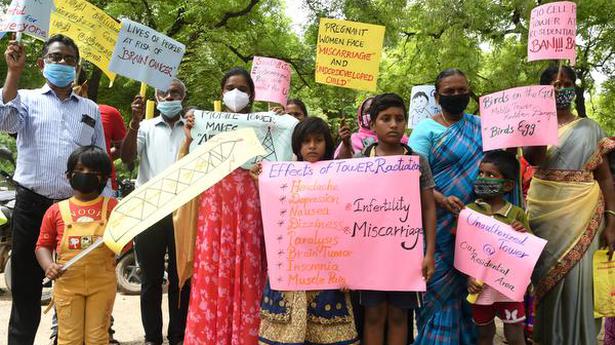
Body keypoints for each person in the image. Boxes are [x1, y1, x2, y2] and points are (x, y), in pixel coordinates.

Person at [0, 34, 110, 345]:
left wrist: (108, 205)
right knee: (25, 289)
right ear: (41, 63)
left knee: (75, 285)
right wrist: (13, 73)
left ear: (77, 67)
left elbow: (100, 158)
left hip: (77, 211)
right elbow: (4, 121)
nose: (63, 63)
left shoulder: (90, 108)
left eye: (69, 59)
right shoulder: (25, 98)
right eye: (56, 57)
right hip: (31, 206)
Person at [524, 65, 615, 345]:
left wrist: (612, 220)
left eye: (565, 84)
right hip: (544, 213)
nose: (560, 88)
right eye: (553, 84)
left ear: (574, 88)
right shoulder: (532, 124)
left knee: (579, 281)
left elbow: (605, 178)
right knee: (546, 279)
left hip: (585, 213)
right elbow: (534, 159)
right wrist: (540, 123)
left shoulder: (590, 128)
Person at [179, 67, 267, 345]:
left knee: (249, 273)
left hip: (251, 211)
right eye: (230, 88)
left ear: (251, 96)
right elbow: (186, 169)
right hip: (214, 213)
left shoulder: (265, 128)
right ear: (221, 93)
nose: (235, 93)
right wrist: (190, 137)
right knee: (212, 276)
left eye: (242, 88)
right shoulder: (206, 127)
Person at [255, 117, 360, 345]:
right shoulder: (281, 176)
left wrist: (348, 268)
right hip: (292, 265)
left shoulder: (341, 176)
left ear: (327, 144)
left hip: (327, 267)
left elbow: (348, 223)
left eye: (318, 140)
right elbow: (272, 213)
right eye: (306, 141)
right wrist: (259, 180)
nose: (312, 146)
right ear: (297, 146)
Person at [352, 93, 436, 345]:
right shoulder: (360, 161)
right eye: (385, 118)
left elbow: (429, 208)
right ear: (373, 123)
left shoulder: (416, 161)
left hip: (406, 254)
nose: (393, 124)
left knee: (400, 316)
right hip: (370, 255)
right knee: (374, 315)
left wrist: (429, 252)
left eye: (399, 118)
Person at [409, 68, 481, 344]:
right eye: (449, 92)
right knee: (436, 293)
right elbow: (414, 175)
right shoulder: (425, 129)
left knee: (468, 294)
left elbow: (494, 169)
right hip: (434, 225)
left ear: (469, 92)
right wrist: (441, 199)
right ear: (437, 97)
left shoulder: (480, 126)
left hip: (472, 225)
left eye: (461, 90)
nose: (456, 95)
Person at [120, 79, 191, 345]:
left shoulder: (193, 129)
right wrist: (134, 122)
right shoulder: (145, 128)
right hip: (149, 212)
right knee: (150, 279)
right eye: (164, 92)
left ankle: (178, 336)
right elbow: (127, 157)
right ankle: (152, 338)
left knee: (180, 279)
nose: (169, 96)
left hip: (183, 212)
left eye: (175, 92)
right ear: (156, 97)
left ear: (183, 96)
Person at [35, 146, 117, 345]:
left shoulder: (114, 207)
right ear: (69, 175)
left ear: (104, 178)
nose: (86, 175)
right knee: (68, 338)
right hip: (67, 284)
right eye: (81, 170)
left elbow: (124, 244)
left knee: (98, 337)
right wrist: (48, 266)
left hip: (102, 284)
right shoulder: (55, 211)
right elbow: (42, 246)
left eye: (93, 172)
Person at [465, 150, 529, 345]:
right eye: (481, 173)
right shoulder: (469, 212)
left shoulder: (517, 214)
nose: (483, 178)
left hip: (509, 288)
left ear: (508, 185)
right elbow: (463, 249)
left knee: (515, 333)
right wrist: (469, 278)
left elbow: (529, 249)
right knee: (484, 334)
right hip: (480, 287)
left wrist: (522, 233)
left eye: (491, 175)